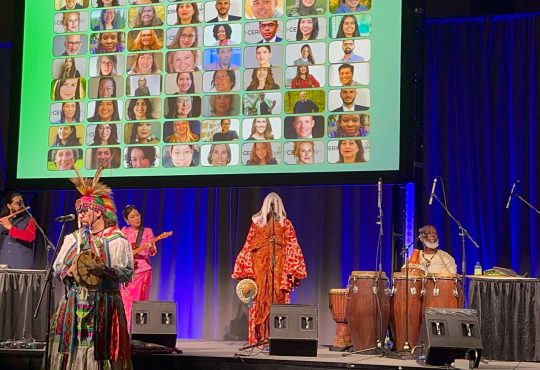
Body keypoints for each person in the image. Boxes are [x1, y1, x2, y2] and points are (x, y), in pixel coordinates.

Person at [48, 169, 133, 370]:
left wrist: (104, 271)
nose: (81, 214)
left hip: (105, 303)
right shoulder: (72, 239)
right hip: (75, 302)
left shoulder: (117, 240)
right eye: (79, 211)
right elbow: (57, 266)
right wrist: (66, 272)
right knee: (74, 347)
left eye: (86, 210)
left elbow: (127, 272)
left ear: (98, 211)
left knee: (100, 349)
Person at [232, 192, 307, 345]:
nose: (272, 205)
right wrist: (244, 268)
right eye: (270, 202)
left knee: (277, 298)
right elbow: (248, 245)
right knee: (259, 299)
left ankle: (277, 335)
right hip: (259, 267)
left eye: (275, 202)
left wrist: (292, 269)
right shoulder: (256, 224)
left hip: (279, 267)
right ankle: (260, 337)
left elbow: (293, 246)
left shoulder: (286, 224)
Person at [120, 205, 157, 332]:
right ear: (127, 220)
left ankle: (139, 331)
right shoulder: (123, 231)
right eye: (132, 216)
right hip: (128, 270)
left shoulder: (147, 231)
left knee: (141, 301)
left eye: (138, 215)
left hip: (144, 270)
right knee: (126, 300)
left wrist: (151, 246)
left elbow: (152, 252)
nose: (136, 218)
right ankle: (125, 330)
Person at [0, 193, 37, 269]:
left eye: (22, 203)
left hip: (20, 264)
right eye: (17, 203)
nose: (20, 206)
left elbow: (30, 237)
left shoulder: (30, 220)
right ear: (9, 206)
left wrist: (11, 228)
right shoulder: (3, 220)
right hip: (3, 262)